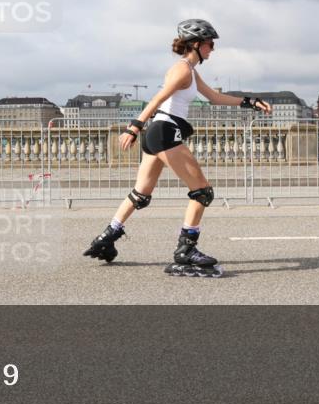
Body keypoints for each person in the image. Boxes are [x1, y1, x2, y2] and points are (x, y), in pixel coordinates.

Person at [83, 19, 272, 277]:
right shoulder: (182, 70)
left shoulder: (190, 71)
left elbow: (214, 98)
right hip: (165, 131)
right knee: (202, 192)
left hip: (159, 132)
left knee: (140, 195)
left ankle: (107, 237)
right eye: (210, 44)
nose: (212, 49)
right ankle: (186, 250)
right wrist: (134, 127)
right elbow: (158, 98)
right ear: (196, 44)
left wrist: (250, 101)